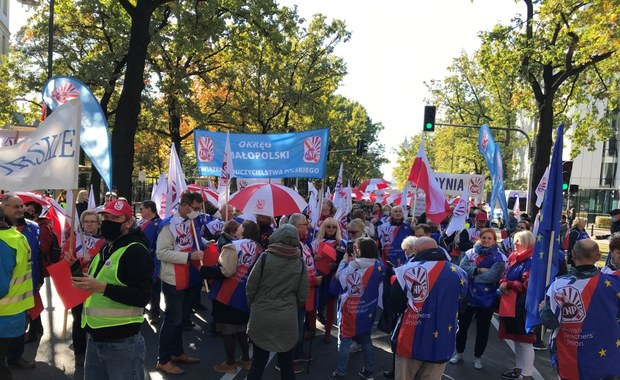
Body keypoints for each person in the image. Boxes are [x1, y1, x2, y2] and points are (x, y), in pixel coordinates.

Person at [71, 199, 153, 380]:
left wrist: (104, 288)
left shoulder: (135, 251)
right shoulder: (106, 247)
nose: (107, 221)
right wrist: (75, 267)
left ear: (128, 223)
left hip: (122, 342)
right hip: (94, 337)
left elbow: (142, 296)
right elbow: (94, 282)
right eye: (105, 216)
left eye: (114, 218)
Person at [540, 239, 620, 379]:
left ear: (573, 254)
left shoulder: (559, 285)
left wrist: (542, 309)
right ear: (598, 256)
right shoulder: (614, 283)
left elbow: (550, 321)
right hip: (605, 357)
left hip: (571, 357)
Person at [391, 237, 468, 380]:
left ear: (415, 250)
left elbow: (395, 304)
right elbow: (463, 304)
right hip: (443, 338)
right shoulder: (459, 272)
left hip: (410, 336)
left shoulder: (404, 271)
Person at [246, 224, 309, 380]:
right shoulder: (300, 263)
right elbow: (303, 294)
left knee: (258, 363)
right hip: (286, 317)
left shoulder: (265, 258)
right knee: (287, 365)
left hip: (262, 314)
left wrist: (254, 305)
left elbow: (251, 286)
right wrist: (292, 306)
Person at [201, 220, 261, 373]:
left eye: (241, 226)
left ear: (244, 230)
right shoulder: (257, 249)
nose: (238, 228)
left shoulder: (233, 245)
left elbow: (226, 271)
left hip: (228, 293)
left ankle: (230, 363)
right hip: (245, 293)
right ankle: (246, 359)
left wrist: (205, 271)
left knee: (227, 329)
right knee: (241, 328)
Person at [156, 191, 205, 375]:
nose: (197, 212)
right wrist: (189, 256)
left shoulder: (191, 221)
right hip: (173, 278)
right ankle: (163, 359)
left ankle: (177, 352)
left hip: (190, 276)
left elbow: (194, 241)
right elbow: (161, 252)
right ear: (185, 206)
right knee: (172, 319)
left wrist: (207, 243)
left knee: (181, 319)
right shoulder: (168, 225)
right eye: (195, 209)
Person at [328, 237, 384, 380]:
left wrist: (343, 261)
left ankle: (340, 373)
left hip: (350, 309)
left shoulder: (352, 266)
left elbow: (338, 281)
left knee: (345, 341)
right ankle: (369, 370)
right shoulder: (379, 265)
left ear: (359, 250)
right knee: (366, 339)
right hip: (368, 309)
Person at [451, 228, 506, 370]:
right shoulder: (470, 253)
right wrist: (478, 270)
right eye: (484, 238)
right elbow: (462, 268)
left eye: (489, 238)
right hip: (469, 296)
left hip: (487, 298)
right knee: (462, 326)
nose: (486, 240)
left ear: (494, 240)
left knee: (483, 329)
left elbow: (492, 276)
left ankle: (478, 356)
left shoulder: (499, 257)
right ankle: (459, 353)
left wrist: (472, 275)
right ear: (479, 238)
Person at [62, 210, 106, 367]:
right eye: (86, 221)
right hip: (78, 285)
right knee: (79, 320)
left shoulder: (105, 242)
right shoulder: (73, 240)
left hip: (97, 286)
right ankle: (80, 352)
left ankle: (97, 351)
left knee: (96, 319)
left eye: (92, 221)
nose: (89, 224)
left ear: (98, 224)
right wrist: (81, 260)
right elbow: (63, 261)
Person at [1, 195, 39, 369]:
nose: (20, 209)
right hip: (12, 303)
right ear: (4, 208)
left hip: (15, 301)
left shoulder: (30, 229)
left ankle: (16, 357)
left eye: (21, 206)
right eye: (15, 206)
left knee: (17, 334)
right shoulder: (11, 235)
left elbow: (36, 257)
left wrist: (38, 279)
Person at [497, 231, 536, 380]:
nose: (514, 244)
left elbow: (528, 284)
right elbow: (505, 276)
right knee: (517, 339)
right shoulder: (514, 258)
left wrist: (510, 284)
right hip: (511, 303)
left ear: (526, 242)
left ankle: (527, 374)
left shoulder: (531, 260)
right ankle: (519, 369)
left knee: (525, 341)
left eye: (518, 241)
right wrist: (503, 283)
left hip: (523, 304)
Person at [312, 216, 346, 343]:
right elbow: (309, 259)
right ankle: (312, 328)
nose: (331, 229)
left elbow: (345, 262)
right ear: (323, 228)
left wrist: (336, 265)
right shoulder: (316, 242)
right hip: (317, 276)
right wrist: (315, 258)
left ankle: (327, 331)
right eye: (328, 226)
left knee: (331, 305)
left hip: (332, 277)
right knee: (315, 303)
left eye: (334, 227)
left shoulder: (342, 243)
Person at [136, 200, 162, 325]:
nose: (140, 211)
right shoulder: (139, 223)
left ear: (150, 209)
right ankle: (139, 312)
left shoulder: (160, 224)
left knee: (154, 290)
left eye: (141, 209)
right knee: (139, 288)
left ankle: (154, 313)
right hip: (140, 261)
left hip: (153, 261)